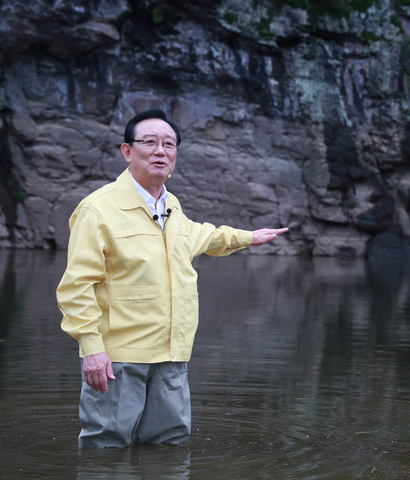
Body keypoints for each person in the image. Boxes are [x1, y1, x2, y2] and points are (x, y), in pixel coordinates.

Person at [56, 108, 287, 448]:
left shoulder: (171, 207)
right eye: (149, 142)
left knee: (170, 443)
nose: (160, 151)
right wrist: (91, 349)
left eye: (169, 144)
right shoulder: (97, 210)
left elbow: (204, 236)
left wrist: (248, 237)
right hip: (119, 355)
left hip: (172, 352)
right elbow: (77, 286)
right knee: (106, 443)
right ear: (127, 151)